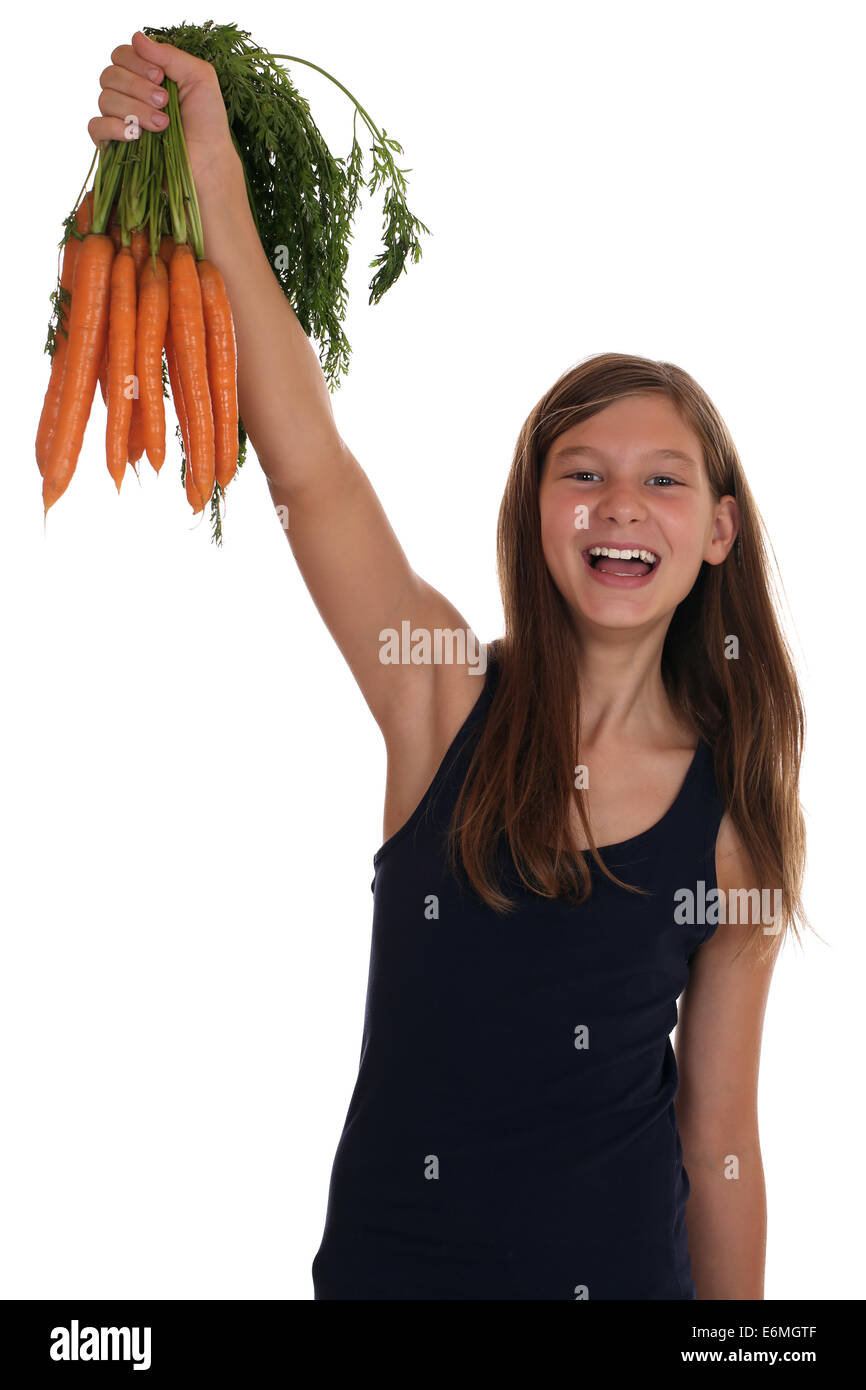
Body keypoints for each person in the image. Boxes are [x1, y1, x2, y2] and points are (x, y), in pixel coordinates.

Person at [88, 32, 809, 1300]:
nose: (615, 505)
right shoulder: (441, 694)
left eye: (661, 480)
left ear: (716, 531)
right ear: (533, 511)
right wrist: (209, 186)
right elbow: (312, 471)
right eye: (578, 474)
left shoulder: (735, 818)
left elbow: (720, 1141)